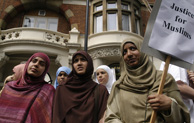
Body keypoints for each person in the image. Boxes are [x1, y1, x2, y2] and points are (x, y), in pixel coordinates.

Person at [105, 38, 190, 123]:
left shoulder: (164, 79)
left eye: (133, 48)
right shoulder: (119, 86)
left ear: (143, 51)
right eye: (124, 52)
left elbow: (182, 117)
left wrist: (170, 106)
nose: (129, 54)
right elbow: (111, 118)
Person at [53, 50, 109, 123]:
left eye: (83, 60)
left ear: (89, 63)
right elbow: (57, 118)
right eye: (76, 61)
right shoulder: (62, 90)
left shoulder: (100, 90)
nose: (79, 63)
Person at [0, 52, 55, 123]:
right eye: (34, 61)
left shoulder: (47, 91)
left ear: (45, 70)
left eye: (42, 64)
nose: (36, 65)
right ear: (28, 63)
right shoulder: (9, 87)